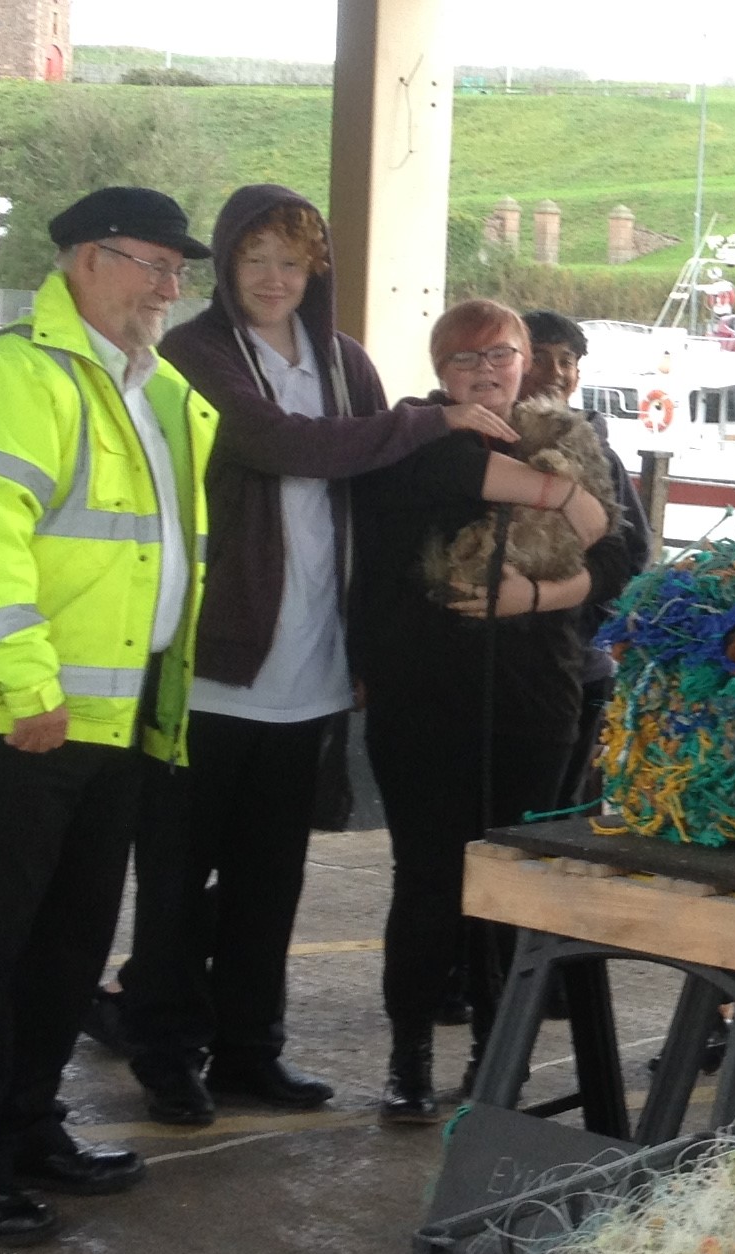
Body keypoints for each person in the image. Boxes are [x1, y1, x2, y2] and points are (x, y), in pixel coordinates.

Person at [124, 185, 515, 1128]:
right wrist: (433, 419)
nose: (273, 278)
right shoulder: (196, 354)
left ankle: (250, 1050)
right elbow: (280, 442)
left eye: (291, 262)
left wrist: (369, 645)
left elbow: (377, 506)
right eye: (254, 258)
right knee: (178, 879)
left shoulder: (346, 364)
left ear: (315, 270)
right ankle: (166, 1054)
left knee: (271, 880)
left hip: (313, 670)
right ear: (227, 263)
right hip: (214, 667)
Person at [0, 187, 219, 1246]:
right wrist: (26, 685)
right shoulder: (15, 374)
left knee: (65, 950)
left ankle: (28, 1125)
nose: (168, 287)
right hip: (14, 719)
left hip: (111, 717)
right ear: (87, 259)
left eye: (178, 271)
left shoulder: (153, 389)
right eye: (151, 264)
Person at [349, 301, 618, 1122]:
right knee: (427, 880)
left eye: (500, 354)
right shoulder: (410, 437)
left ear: (525, 359)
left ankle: (499, 1055)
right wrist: (558, 493)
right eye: (464, 360)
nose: (485, 371)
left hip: (535, 699)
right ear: (441, 371)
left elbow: (621, 557)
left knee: (510, 887)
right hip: (422, 700)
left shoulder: (569, 435)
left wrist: (533, 596)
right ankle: (408, 1058)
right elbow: (446, 476)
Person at [519, 308, 654, 812]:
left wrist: (585, 622)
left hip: (581, 665)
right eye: (538, 358)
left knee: (567, 814)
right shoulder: (487, 448)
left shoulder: (602, 457)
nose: (553, 372)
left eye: (566, 360)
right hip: (501, 670)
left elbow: (631, 555)